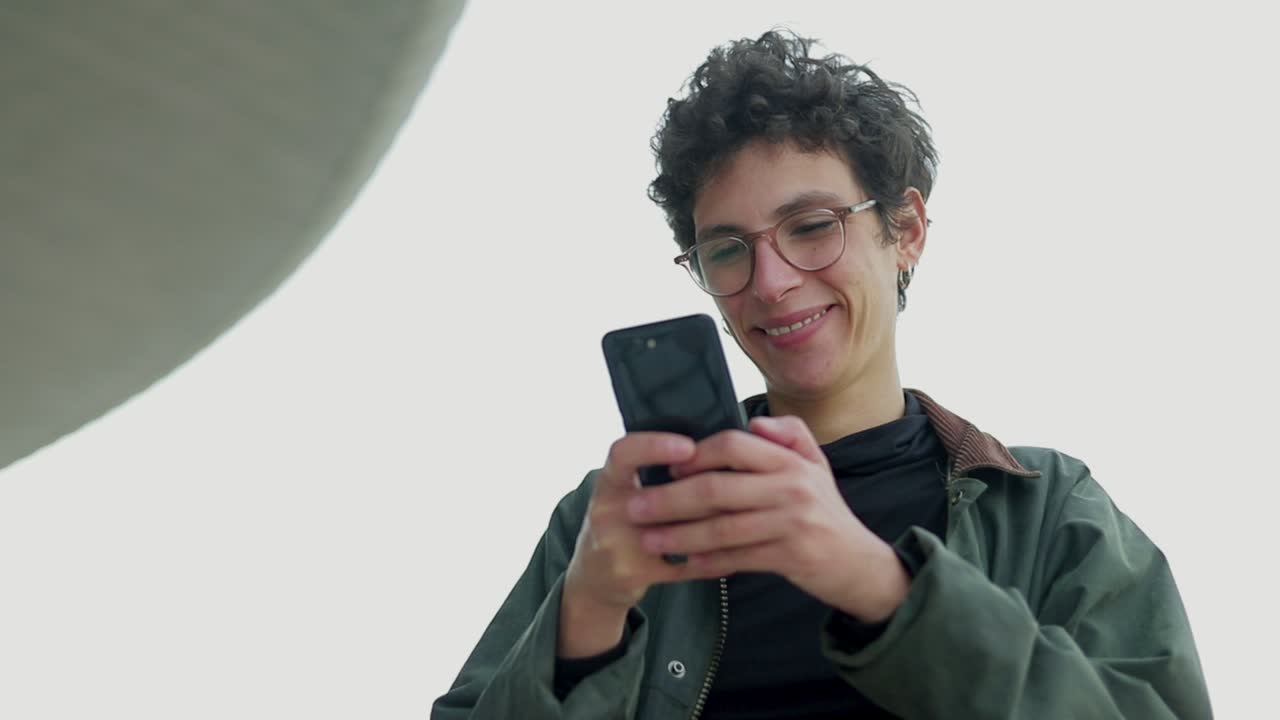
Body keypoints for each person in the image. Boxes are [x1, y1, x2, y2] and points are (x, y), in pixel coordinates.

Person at [431, 30, 1211, 719]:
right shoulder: (613, 519)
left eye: (810, 227)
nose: (771, 283)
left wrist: (878, 583)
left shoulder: (1047, 510)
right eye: (728, 250)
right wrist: (588, 612)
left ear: (905, 230)